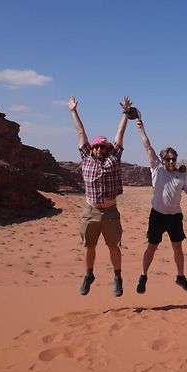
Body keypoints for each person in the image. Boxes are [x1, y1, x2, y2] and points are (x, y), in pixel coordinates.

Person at [69, 95, 132, 297]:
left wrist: (125, 113)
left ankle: (117, 277)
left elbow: (120, 133)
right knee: (89, 246)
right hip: (91, 211)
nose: (98, 148)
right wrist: (73, 111)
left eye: (102, 146)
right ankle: (89, 276)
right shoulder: (86, 157)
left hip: (111, 212)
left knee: (114, 247)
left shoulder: (114, 157)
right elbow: (80, 131)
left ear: (107, 149)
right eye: (96, 146)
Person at [135, 117, 187, 294]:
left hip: (175, 216)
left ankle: (181, 277)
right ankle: (143, 276)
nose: (171, 162)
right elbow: (148, 146)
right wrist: (141, 129)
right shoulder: (157, 169)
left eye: (174, 159)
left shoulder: (182, 175)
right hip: (158, 215)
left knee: (178, 246)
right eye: (168, 159)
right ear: (162, 160)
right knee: (152, 247)